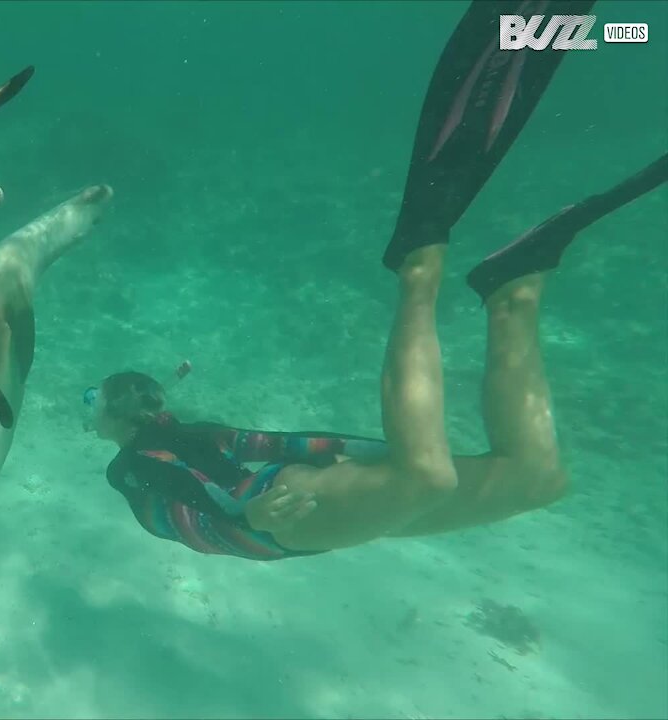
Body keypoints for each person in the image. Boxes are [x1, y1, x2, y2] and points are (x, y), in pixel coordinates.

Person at [84, 0, 667, 561]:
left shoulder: (131, 465)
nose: (126, 404)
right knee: (537, 479)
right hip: (299, 501)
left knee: (427, 475)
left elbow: (199, 509)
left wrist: (252, 515)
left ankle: (420, 265)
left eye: (103, 398)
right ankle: (513, 291)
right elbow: (212, 490)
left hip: (293, 513)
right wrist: (332, 469)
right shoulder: (158, 450)